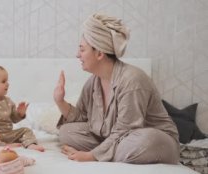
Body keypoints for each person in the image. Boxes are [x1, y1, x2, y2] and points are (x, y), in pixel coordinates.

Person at [53, 13, 180, 164]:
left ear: (99, 53)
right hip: (117, 140)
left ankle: (104, 153)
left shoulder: (132, 80)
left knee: (139, 142)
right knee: (67, 132)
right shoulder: (93, 82)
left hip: (149, 140)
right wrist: (60, 101)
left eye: (82, 49)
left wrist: (91, 156)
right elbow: (82, 117)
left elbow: (126, 130)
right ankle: (109, 152)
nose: (77, 55)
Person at [0, 64, 45, 152]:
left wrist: (20, 114)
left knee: (26, 130)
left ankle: (30, 144)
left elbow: (14, 119)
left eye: (7, 81)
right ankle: (3, 146)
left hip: (9, 134)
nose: (8, 84)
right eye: (3, 81)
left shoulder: (8, 102)